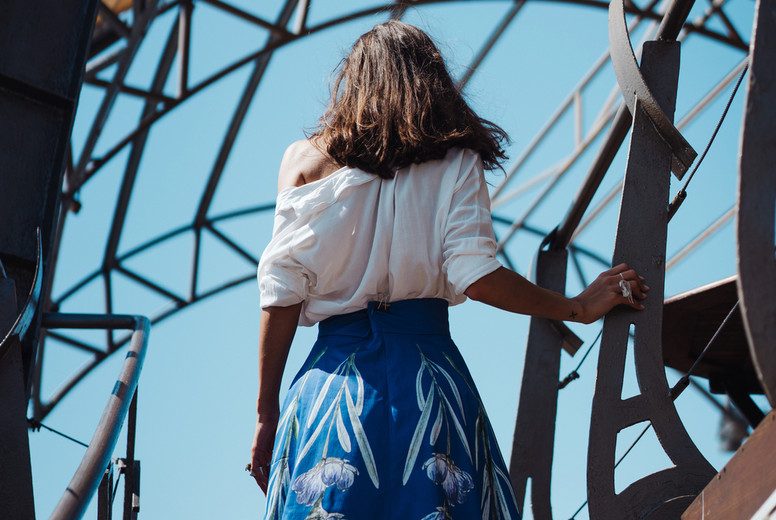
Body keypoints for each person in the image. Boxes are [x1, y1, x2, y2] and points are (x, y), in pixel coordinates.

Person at [249, 20, 647, 520]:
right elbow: (476, 275)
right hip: (429, 384)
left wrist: (267, 414)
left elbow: (281, 293)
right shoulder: (457, 161)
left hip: (332, 393)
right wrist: (577, 307)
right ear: (430, 80)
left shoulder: (304, 161)